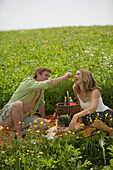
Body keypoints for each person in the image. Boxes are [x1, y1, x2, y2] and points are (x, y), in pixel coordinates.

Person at [0, 66, 73, 141]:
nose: (47, 78)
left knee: (45, 124)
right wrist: (63, 77)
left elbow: (41, 105)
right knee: (18, 104)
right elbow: (46, 84)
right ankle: (18, 135)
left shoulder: (40, 90)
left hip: (22, 118)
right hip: (7, 117)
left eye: (48, 76)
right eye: (46, 75)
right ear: (38, 74)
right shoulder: (28, 82)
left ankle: (18, 133)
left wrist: (44, 119)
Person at [69, 69, 113, 138]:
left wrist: (76, 116)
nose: (75, 76)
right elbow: (81, 108)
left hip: (107, 115)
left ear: (85, 77)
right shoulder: (76, 88)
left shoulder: (94, 91)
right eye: (75, 74)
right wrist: (79, 126)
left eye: (78, 74)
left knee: (86, 118)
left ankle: (111, 131)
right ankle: (105, 130)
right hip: (95, 119)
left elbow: (93, 109)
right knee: (94, 135)